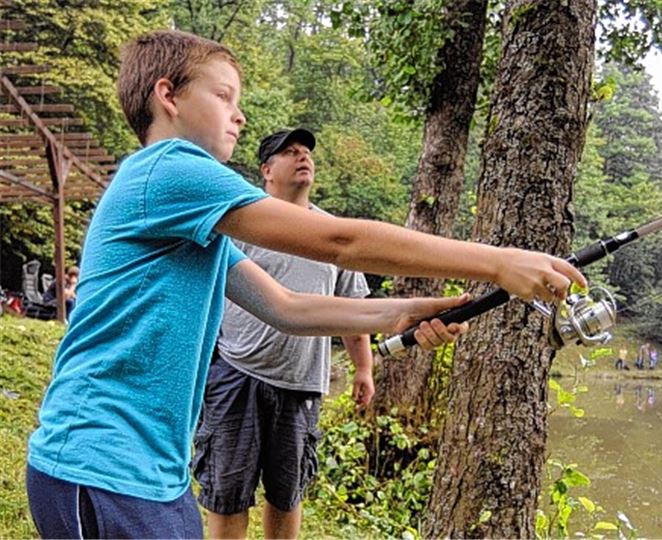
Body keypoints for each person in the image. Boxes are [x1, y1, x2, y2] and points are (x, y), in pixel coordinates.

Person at [25, 29, 585, 538]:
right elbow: (339, 241)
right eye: (224, 97)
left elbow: (287, 307)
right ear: (167, 96)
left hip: (147, 470)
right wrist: (498, 262)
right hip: (98, 462)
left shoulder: (189, 222)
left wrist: (404, 312)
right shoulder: (168, 168)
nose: (238, 116)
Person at [192, 129, 373, 539]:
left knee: (287, 494)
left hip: (302, 383)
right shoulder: (243, 224)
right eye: (290, 152)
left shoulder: (333, 234)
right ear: (267, 170)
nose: (303, 157)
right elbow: (207, 297)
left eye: (306, 152)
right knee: (227, 491)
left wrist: (363, 368)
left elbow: (353, 307)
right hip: (236, 374)